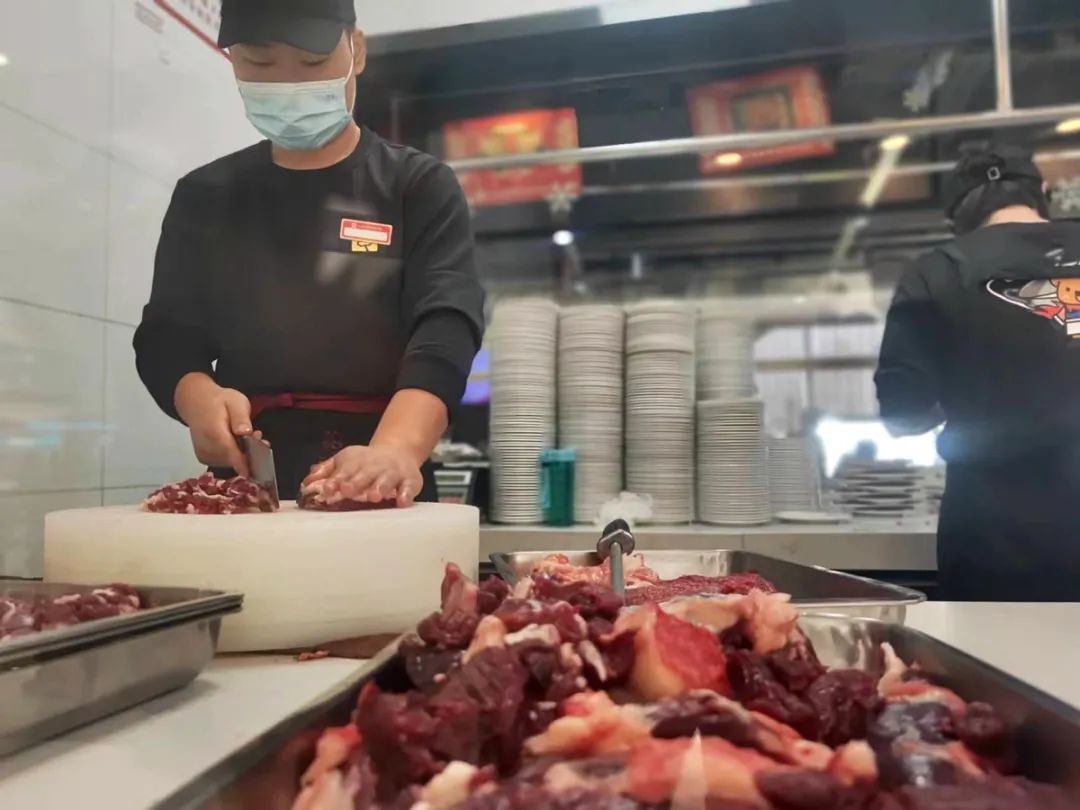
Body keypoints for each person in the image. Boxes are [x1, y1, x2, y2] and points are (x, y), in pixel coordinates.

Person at [135, 0, 484, 506]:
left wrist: (394, 450)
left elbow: (445, 327)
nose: (288, 84)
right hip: (246, 483)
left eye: (312, 62)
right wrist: (198, 399)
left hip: (382, 471)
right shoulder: (204, 195)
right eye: (260, 63)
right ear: (233, 61)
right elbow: (166, 338)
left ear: (356, 50)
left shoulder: (416, 186)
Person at [875, 140, 1080, 601]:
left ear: (958, 214)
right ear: (1042, 192)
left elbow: (903, 415)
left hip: (994, 537)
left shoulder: (936, 271)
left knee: (993, 649)